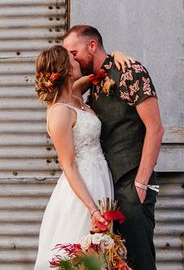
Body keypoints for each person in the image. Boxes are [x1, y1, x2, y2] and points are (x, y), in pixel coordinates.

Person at [63, 25, 164, 270]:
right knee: (115, 263)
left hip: (131, 183)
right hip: (107, 189)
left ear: (92, 45)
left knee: (140, 261)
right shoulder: (93, 83)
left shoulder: (131, 72)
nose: (72, 60)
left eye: (74, 53)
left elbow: (156, 129)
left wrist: (140, 184)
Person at [33, 44, 135, 270]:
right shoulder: (59, 112)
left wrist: (116, 54)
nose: (78, 61)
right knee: (79, 251)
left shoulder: (76, 95)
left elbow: (100, 72)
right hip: (82, 190)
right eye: (73, 58)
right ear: (67, 69)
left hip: (100, 180)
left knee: (99, 256)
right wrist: (93, 209)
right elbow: (68, 165)